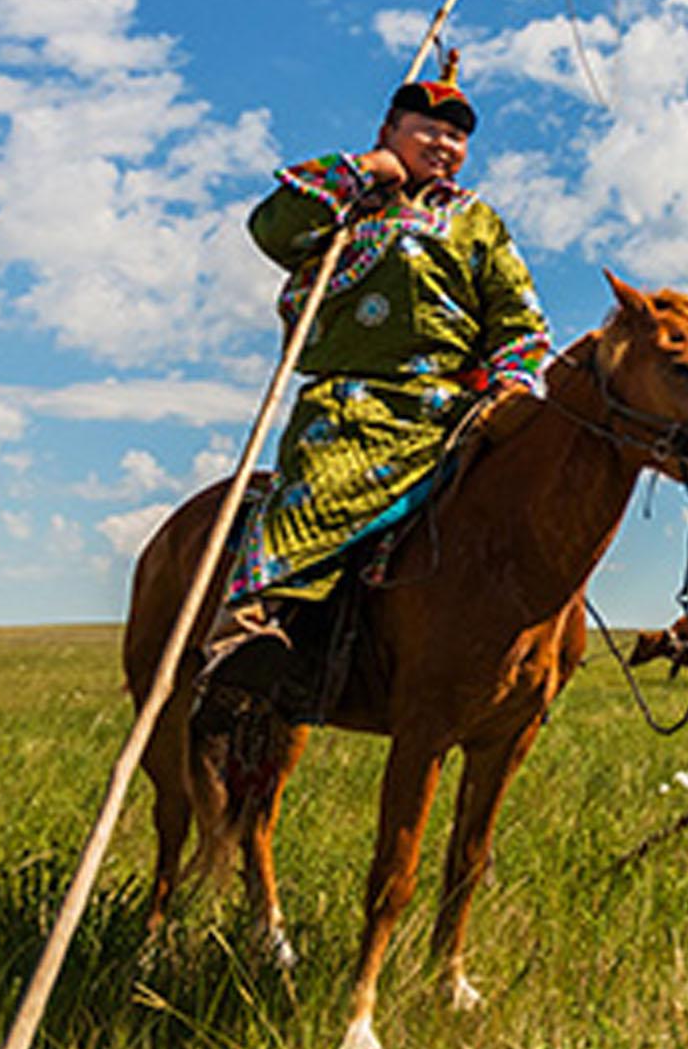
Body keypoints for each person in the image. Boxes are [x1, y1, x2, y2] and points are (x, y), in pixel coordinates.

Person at [198, 63, 552, 705]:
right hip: (350, 403)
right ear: (390, 129)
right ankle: (247, 622)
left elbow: (519, 318)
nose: (444, 146)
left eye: (456, 137)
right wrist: (368, 171)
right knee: (322, 484)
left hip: (453, 407)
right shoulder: (348, 203)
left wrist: (511, 380)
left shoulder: (479, 222)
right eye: (428, 131)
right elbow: (272, 228)